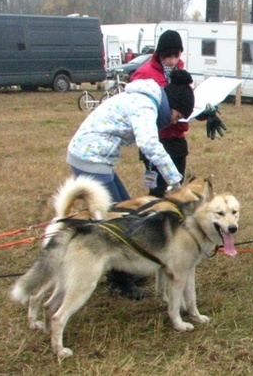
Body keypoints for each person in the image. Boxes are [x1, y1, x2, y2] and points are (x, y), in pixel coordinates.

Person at [66, 74, 193, 299]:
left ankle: (127, 269)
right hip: (90, 158)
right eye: (177, 115)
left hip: (95, 158)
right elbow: (149, 143)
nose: (174, 121)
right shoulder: (146, 106)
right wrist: (175, 180)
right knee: (118, 222)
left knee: (129, 212)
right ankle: (120, 282)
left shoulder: (145, 99)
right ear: (170, 106)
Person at [130, 30, 226, 197]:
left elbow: (187, 104)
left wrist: (206, 113)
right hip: (156, 138)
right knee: (158, 190)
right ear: (160, 53)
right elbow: (137, 107)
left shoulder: (181, 73)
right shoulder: (145, 74)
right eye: (168, 56)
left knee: (177, 188)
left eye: (176, 55)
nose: (173, 60)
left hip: (177, 139)